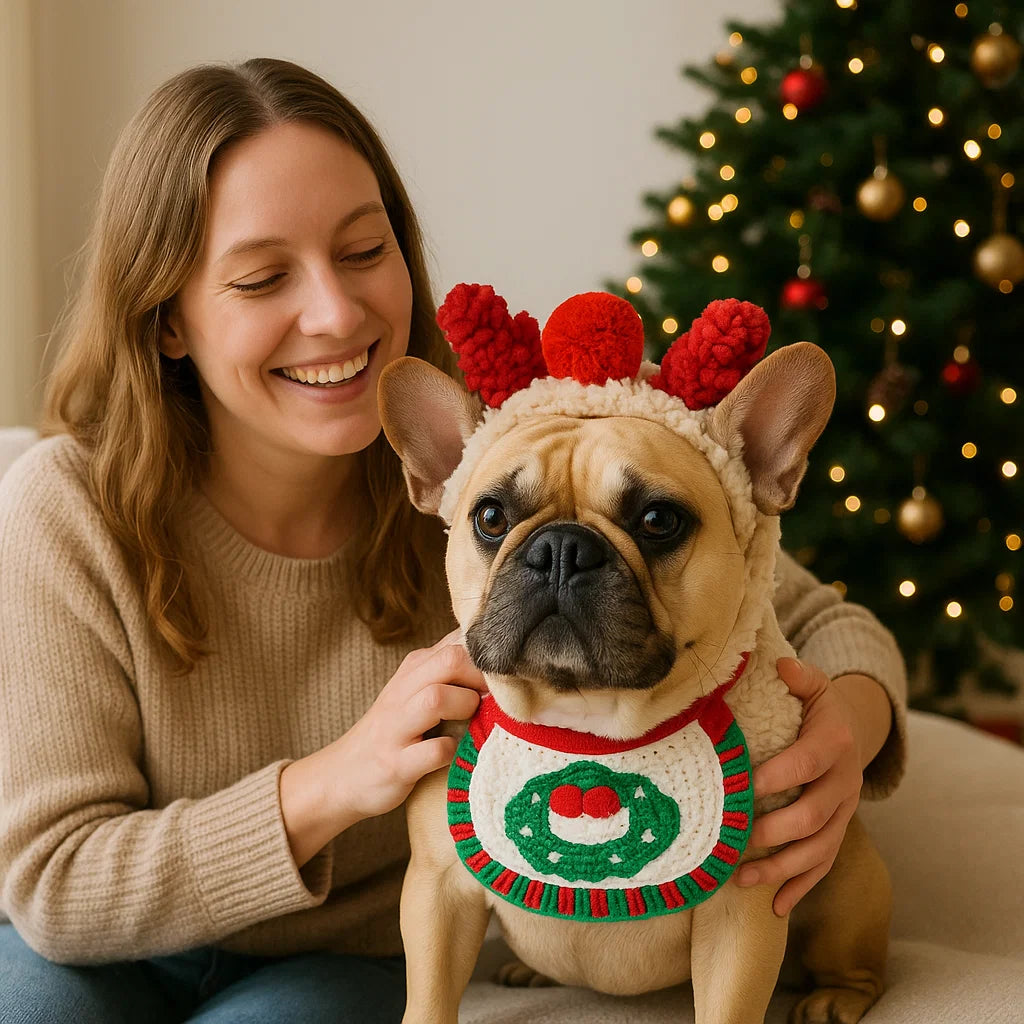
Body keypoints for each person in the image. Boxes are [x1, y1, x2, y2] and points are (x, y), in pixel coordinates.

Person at [0, 58, 907, 1023]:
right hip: (99, 956)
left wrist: (847, 732)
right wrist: (338, 781)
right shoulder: (70, 511)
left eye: (363, 250)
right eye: (263, 277)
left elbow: (812, 614)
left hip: (332, 965)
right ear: (168, 318)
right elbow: (53, 881)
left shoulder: (509, 449)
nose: (337, 314)